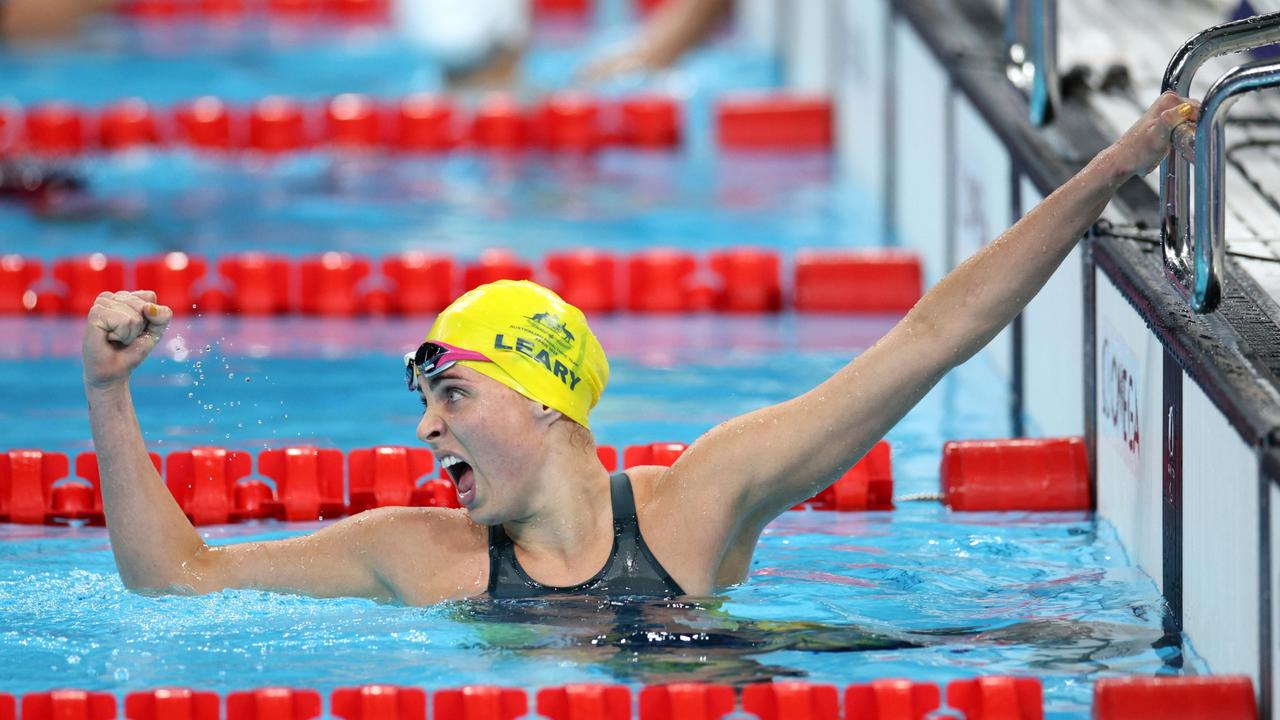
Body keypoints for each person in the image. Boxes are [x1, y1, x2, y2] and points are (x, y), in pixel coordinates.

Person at [82, 93, 1198, 606]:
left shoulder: (697, 503)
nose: (425, 427)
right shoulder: (417, 557)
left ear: (547, 401)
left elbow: (930, 336)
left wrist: (1110, 170)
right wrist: (106, 397)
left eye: (453, 394)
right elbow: (176, 578)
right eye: (424, 402)